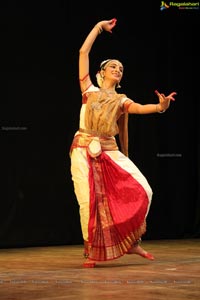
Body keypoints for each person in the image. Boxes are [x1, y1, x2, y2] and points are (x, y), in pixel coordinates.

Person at [69, 18, 177, 268]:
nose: (118, 70)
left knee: (144, 190)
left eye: (121, 69)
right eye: (113, 66)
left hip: (108, 148)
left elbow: (139, 108)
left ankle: (131, 240)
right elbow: (83, 52)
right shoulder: (89, 90)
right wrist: (97, 27)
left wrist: (160, 107)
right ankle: (91, 252)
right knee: (87, 201)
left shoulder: (120, 99)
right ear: (103, 71)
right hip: (83, 148)